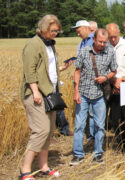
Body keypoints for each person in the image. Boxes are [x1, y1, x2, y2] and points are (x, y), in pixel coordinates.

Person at [20, 15, 66, 179]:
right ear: (44, 29)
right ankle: (25, 170)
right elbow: (29, 71)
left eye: (57, 31)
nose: (55, 34)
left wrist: (62, 67)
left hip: (50, 93)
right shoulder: (33, 44)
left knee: (49, 131)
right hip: (36, 94)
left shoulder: (49, 45)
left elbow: (47, 68)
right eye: (53, 31)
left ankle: (43, 166)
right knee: (40, 131)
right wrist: (35, 91)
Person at [70, 29, 117, 165]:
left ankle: (98, 153)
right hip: (83, 93)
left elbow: (114, 70)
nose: (102, 44)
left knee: (100, 126)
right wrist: (76, 91)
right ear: (94, 40)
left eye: (104, 42)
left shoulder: (110, 52)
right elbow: (77, 71)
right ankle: (78, 154)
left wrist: (105, 77)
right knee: (79, 125)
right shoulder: (85, 52)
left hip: (99, 95)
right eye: (100, 41)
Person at [106, 23, 125, 152]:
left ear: (119, 33)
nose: (112, 39)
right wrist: (114, 80)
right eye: (110, 37)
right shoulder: (105, 46)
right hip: (111, 85)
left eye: (114, 36)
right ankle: (120, 143)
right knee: (115, 117)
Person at [72, 20, 96, 140]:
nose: (78, 34)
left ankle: (93, 136)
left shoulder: (94, 41)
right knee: (85, 111)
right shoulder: (82, 43)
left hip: (92, 81)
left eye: (79, 31)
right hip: (82, 80)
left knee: (92, 111)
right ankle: (89, 135)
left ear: (86, 28)